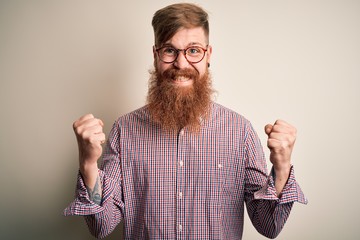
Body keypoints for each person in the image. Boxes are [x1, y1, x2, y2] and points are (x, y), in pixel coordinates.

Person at [64, 3, 307, 239]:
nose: (181, 64)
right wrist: (88, 163)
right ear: (156, 54)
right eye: (170, 50)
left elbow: (269, 226)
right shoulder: (124, 130)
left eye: (193, 50)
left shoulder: (240, 131)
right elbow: (101, 226)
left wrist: (282, 166)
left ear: (208, 54)